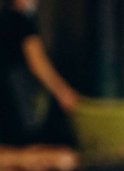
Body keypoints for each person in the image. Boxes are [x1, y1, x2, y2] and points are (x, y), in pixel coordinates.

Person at [0, 0, 80, 145]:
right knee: (24, 144)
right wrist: (62, 92)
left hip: (9, 96)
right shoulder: (20, 21)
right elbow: (37, 63)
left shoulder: (5, 18)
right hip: (18, 96)